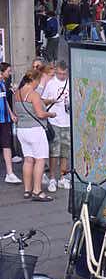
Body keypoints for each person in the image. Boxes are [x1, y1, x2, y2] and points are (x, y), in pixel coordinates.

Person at [15, 69, 57, 201]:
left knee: (28, 160)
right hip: (35, 130)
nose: (38, 84)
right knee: (40, 160)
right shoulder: (33, 94)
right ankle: (37, 191)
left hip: (22, 130)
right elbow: (40, 114)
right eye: (38, 81)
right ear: (33, 80)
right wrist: (51, 114)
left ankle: (27, 190)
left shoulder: (17, 93)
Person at [42, 60, 71, 192]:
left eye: (64, 74)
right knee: (54, 151)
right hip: (54, 121)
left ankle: (62, 177)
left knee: (65, 151)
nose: (61, 76)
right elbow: (42, 101)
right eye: (59, 73)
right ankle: (52, 177)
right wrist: (51, 101)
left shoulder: (70, 82)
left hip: (67, 121)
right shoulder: (51, 83)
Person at [0, 62, 21, 184]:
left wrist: (11, 114)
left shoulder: (3, 83)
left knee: (6, 144)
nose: (10, 73)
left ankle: (10, 173)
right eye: (8, 71)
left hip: (5, 119)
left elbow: (5, 100)